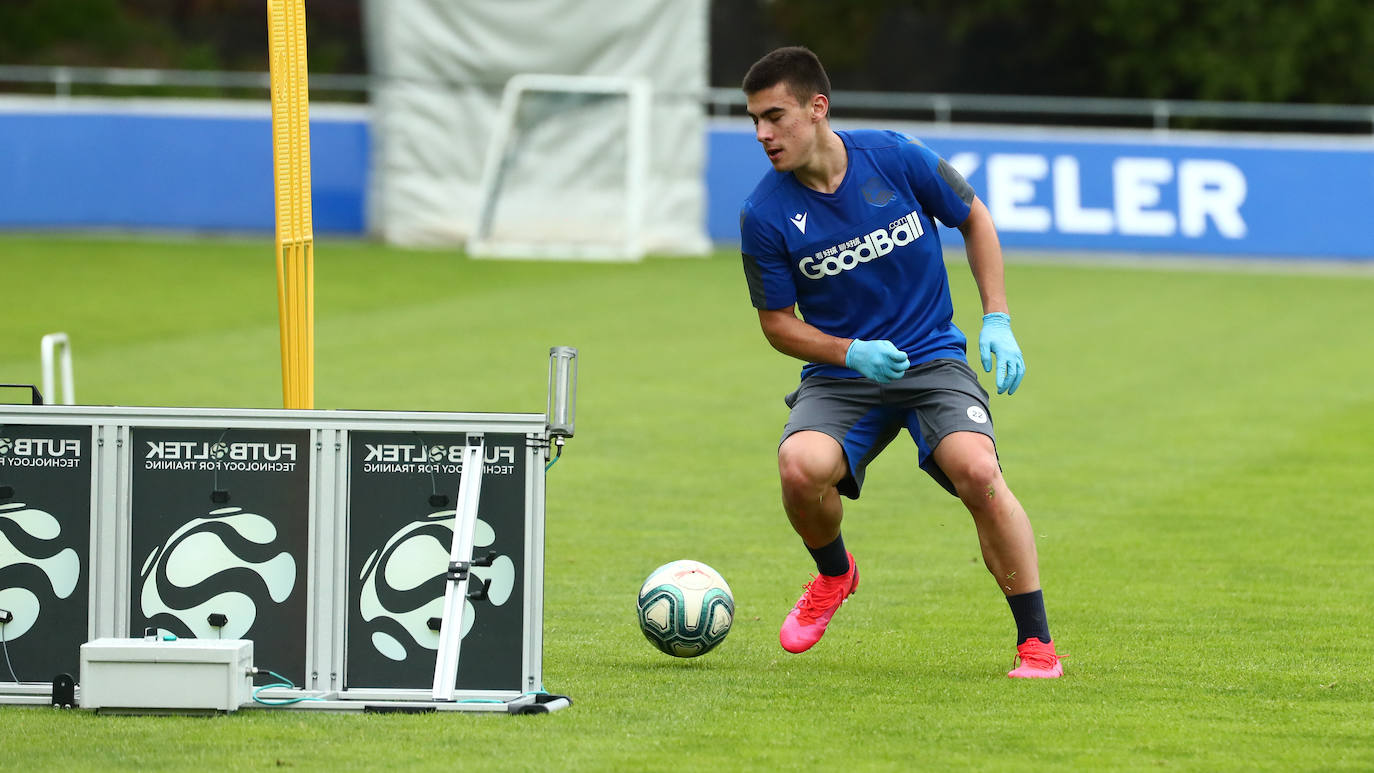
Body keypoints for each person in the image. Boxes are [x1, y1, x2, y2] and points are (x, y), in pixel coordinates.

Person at [737, 46, 1061, 678]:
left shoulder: (895, 156)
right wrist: (848, 352)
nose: (763, 134)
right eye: (755, 121)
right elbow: (776, 324)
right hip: (843, 375)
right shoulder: (764, 214)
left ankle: (1037, 645)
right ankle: (835, 574)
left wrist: (997, 317)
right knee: (800, 468)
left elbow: (974, 218)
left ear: (818, 107)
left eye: (775, 116)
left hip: (932, 360)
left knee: (978, 471)